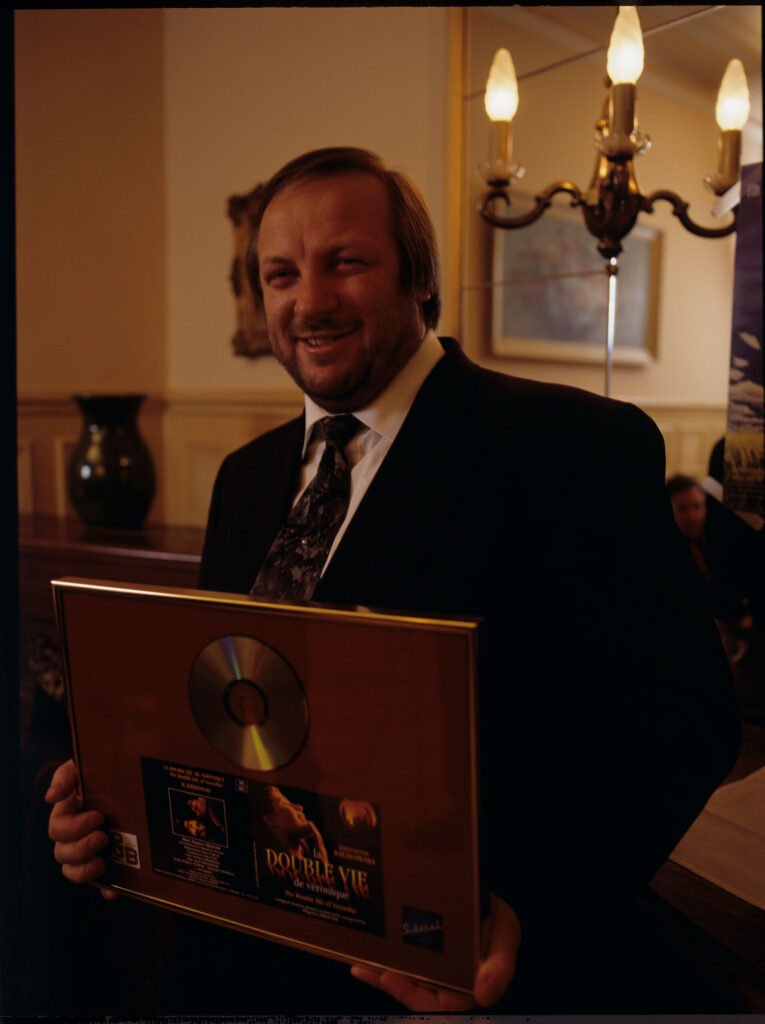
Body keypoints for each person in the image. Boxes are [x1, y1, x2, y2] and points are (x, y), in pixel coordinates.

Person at [46, 147, 740, 1014]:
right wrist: (120, 821)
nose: (309, 300)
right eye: (280, 274)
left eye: (346, 261)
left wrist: (524, 909)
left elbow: (684, 725)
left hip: (440, 979)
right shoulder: (244, 477)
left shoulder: (572, 448)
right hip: (235, 966)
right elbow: (234, 713)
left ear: (419, 278)